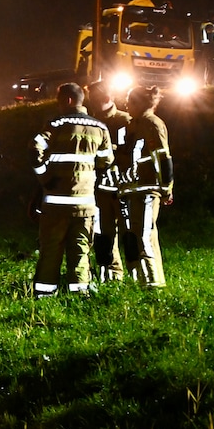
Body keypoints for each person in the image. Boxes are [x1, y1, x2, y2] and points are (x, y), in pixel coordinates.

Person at [30, 82, 113, 298]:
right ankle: (79, 293)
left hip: (55, 204)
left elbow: (34, 149)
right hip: (85, 204)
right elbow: (106, 162)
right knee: (80, 250)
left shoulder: (54, 125)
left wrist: (45, 179)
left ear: (67, 100)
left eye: (59, 101)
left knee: (50, 250)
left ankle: (45, 294)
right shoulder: (101, 128)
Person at [117, 86, 173, 288]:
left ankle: (153, 281)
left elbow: (162, 156)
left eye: (129, 101)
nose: (126, 105)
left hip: (147, 189)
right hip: (131, 189)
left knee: (144, 234)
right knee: (131, 235)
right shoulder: (133, 125)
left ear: (140, 103)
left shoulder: (152, 124)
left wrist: (166, 187)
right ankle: (137, 278)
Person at [86, 81, 131, 282]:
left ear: (107, 97)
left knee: (130, 231)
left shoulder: (125, 121)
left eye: (95, 97)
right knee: (103, 232)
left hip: (123, 185)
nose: (92, 101)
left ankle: (137, 272)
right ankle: (112, 273)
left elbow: (130, 152)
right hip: (100, 187)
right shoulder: (89, 121)